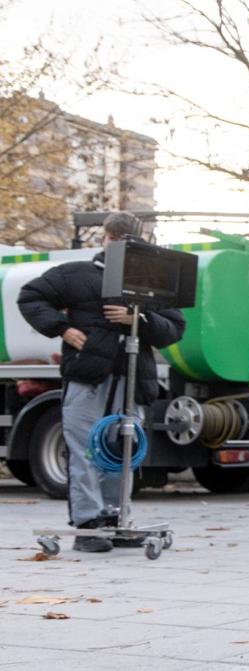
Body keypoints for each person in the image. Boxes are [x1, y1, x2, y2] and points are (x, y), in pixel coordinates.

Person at [17, 212, 185, 552]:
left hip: (133, 377)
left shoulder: (149, 283)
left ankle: (115, 519)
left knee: (122, 449)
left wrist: (138, 317)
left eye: (127, 242)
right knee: (85, 446)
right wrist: (62, 328)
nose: (119, 247)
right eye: (115, 239)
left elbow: (174, 328)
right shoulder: (76, 274)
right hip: (88, 377)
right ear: (104, 238)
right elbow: (30, 297)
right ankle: (88, 524)